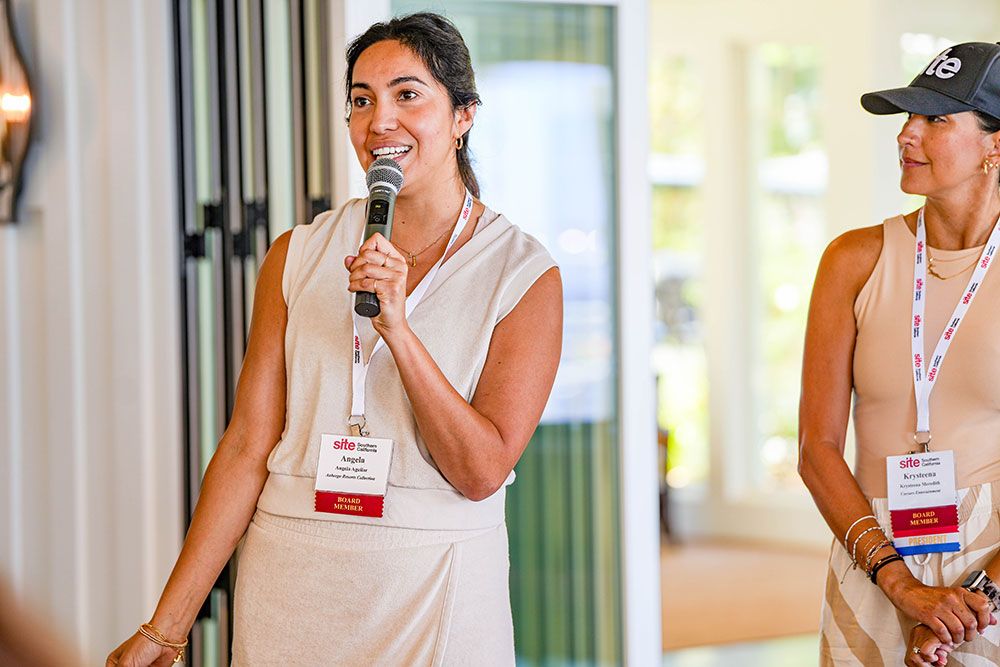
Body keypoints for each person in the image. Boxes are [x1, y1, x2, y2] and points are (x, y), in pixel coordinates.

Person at [107, 12, 562, 666]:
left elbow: (481, 470)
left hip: (433, 587)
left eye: (408, 95)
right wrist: (166, 628)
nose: (380, 122)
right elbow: (246, 446)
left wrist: (398, 330)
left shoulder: (522, 274)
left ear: (463, 116)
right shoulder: (296, 254)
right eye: (362, 100)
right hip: (288, 587)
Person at [800, 41, 1000, 666]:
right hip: (871, 548)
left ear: (995, 145)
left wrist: (978, 597)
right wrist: (899, 583)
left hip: (994, 569)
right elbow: (816, 448)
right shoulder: (853, 259)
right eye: (908, 117)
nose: (907, 134)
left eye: (935, 119)